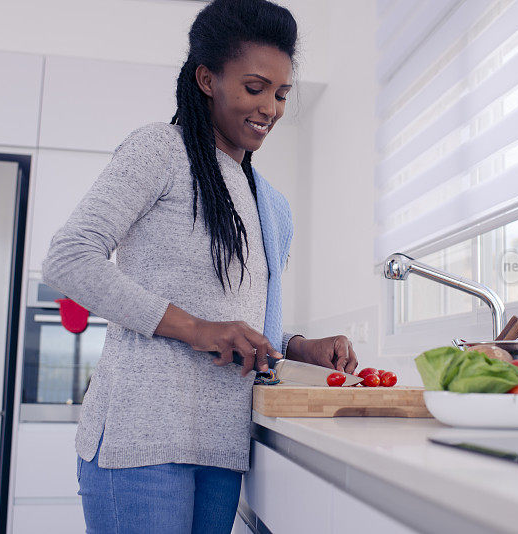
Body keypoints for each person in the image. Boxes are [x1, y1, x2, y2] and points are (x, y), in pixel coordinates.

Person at [41, 0, 358, 532]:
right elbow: (69, 259)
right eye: (255, 88)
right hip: (138, 437)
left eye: (281, 94)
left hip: (221, 442)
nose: (271, 108)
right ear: (207, 79)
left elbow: (246, 320)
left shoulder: (271, 205)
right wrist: (197, 329)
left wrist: (297, 346)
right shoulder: (159, 151)